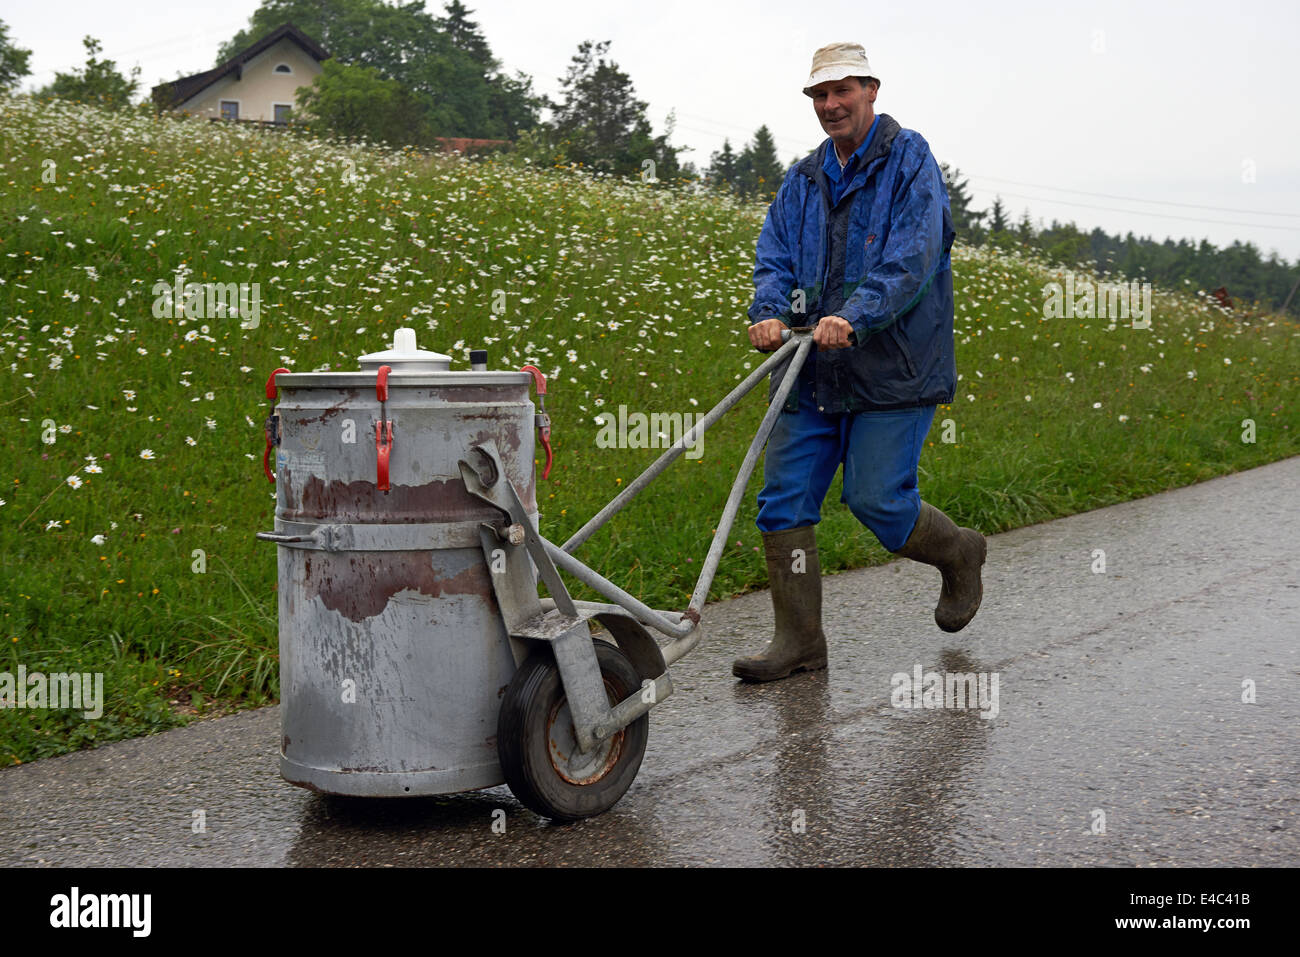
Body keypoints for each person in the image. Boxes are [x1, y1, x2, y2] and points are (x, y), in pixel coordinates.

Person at [733, 41, 988, 682]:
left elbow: (915, 254)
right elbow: (776, 258)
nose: (830, 105)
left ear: (871, 90)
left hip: (894, 368)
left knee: (877, 499)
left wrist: (858, 314)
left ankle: (959, 553)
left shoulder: (910, 160)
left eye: (841, 90)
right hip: (811, 370)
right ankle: (800, 643)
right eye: (819, 95)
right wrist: (770, 310)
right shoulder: (802, 180)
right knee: (782, 504)